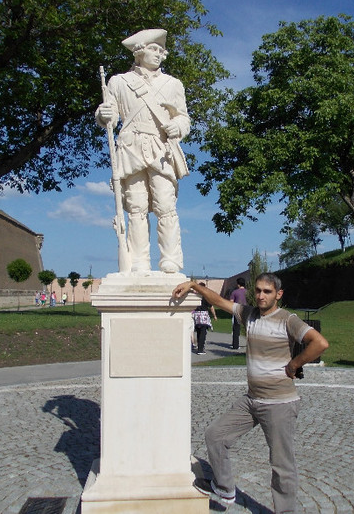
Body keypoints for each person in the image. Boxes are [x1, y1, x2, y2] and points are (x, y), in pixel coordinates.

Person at [172, 273, 329, 513]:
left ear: (278, 294)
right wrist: (194, 285)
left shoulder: (288, 319)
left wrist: (294, 364)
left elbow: (319, 342)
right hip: (252, 400)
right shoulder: (249, 315)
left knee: (281, 464)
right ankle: (224, 488)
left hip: (279, 403)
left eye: (267, 291)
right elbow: (219, 301)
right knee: (215, 435)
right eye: (257, 290)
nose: (261, 295)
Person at [96, 28, 190, 274]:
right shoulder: (118, 82)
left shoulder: (173, 84)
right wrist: (102, 114)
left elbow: (183, 118)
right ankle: (138, 260)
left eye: (161, 50)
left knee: (165, 205)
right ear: (139, 52)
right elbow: (111, 115)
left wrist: (176, 126)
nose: (159, 54)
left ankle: (171, 258)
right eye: (153, 49)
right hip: (130, 147)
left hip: (161, 149)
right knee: (136, 207)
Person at [192, 281, 217, 355]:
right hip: (204, 315)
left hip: (196, 315)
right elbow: (211, 307)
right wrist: (214, 315)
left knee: (199, 332)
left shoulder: (195, 296)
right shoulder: (205, 297)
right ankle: (200, 349)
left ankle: (199, 347)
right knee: (203, 332)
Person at [229, 277, 247, 349]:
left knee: (236, 328)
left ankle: (235, 345)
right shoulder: (248, 292)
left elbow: (231, 302)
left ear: (238, 284)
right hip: (246, 311)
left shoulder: (235, 292)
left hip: (237, 311)